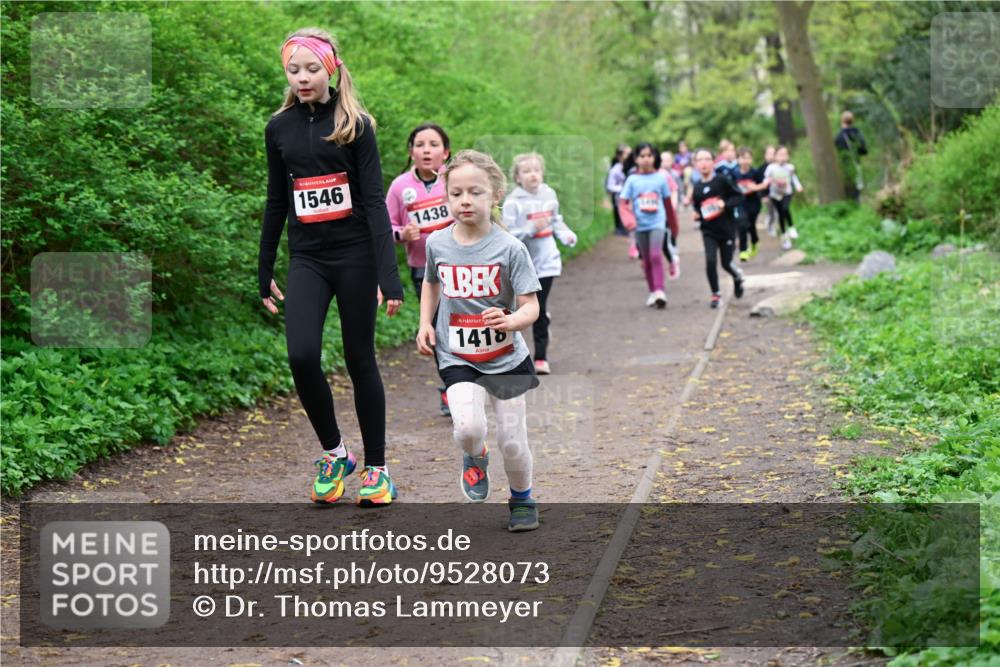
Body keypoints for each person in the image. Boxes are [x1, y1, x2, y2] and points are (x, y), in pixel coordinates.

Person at [258, 28, 403, 506]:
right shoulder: (279, 128)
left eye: (311, 69)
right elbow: (277, 201)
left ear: (331, 69)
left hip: (356, 255)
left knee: (360, 359)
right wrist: (264, 267)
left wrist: (389, 275)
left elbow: (375, 202)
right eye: (293, 70)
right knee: (301, 355)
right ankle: (335, 453)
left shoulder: (356, 124)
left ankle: (377, 469)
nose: (302, 78)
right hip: (308, 259)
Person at [417, 150, 542, 532]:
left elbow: (531, 307)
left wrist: (510, 321)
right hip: (458, 355)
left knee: (513, 441)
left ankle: (522, 499)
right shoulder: (438, 243)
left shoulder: (511, 248)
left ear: (496, 195)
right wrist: (425, 323)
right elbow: (431, 283)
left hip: (506, 358)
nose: (465, 201)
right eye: (456, 194)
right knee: (468, 429)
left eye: (475, 192)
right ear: (446, 197)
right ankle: (475, 455)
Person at [386, 122, 453, 416]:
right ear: (411, 151)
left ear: (445, 152)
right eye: (420, 145)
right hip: (423, 271)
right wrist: (402, 234)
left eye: (434, 145)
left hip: (461, 266)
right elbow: (385, 227)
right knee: (438, 328)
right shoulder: (400, 187)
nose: (426, 150)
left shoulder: (454, 179)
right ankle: (451, 387)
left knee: (463, 325)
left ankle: (469, 381)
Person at [503, 152, 577, 376]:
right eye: (526, 171)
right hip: (522, 265)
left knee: (539, 307)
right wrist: (530, 229)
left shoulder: (549, 194)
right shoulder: (513, 202)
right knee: (520, 309)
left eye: (536, 170)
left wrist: (566, 235)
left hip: (547, 261)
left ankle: (541, 357)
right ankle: (508, 355)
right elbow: (507, 236)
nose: (533, 174)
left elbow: (556, 221)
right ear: (517, 177)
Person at [618, 143, 672, 308]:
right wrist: (629, 221)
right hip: (639, 226)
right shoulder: (632, 180)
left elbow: (668, 204)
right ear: (636, 159)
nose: (646, 159)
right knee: (647, 260)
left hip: (658, 223)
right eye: (642, 156)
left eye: (649, 155)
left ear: (654, 157)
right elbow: (622, 203)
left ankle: (660, 291)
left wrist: (673, 226)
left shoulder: (661, 178)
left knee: (656, 255)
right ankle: (652, 292)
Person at [691, 148, 745, 309]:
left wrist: (725, 204)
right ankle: (716, 294)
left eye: (707, 159)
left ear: (713, 162)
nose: (703, 163)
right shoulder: (697, 187)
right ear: (695, 164)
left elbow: (739, 196)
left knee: (726, 263)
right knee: (710, 261)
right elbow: (698, 207)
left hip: (726, 229)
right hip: (708, 231)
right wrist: (697, 214)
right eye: (700, 160)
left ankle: (737, 276)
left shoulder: (722, 181)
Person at [763, 145, 804, 250]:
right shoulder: (771, 168)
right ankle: (784, 236)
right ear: (775, 156)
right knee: (780, 214)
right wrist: (765, 184)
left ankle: (791, 227)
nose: (783, 157)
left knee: (785, 209)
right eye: (780, 154)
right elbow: (766, 178)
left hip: (787, 193)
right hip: (774, 195)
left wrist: (798, 186)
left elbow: (794, 177)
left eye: (785, 154)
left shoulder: (790, 167)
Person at [733, 146, 767, 262]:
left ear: (751, 159)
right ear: (738, 159)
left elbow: (764, 185)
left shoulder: (755, 173)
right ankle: (743, 250)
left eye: (748, 158)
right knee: (742, 224)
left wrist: (755, 187)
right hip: (740, 203)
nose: (745, 161)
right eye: (743, 158)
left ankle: (754, 241)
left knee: (751, 225)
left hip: (754, 203)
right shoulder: (734, 174)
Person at [834, 110, 868, 202]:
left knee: (847, 188)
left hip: (844, 165)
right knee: (857, 188)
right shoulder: (857, 133)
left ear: (842, 121)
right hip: (856, 163)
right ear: (852, 121)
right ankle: (857, 204)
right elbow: (864, 150)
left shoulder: (839, 136)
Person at [605, 144, 631, 237]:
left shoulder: (629, 167)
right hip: (619, 195)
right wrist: (623, 188)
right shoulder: (616, 169)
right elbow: (610, 185)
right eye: (627, 153)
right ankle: (620, 229)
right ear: (620, 156)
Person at [759, 145, 778, 236]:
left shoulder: (779, 167)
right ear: (765, 155)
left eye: (773, 154)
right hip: (767, 195)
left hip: (778, 194)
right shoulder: (762, 169)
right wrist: (763, 196)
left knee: (777, 212)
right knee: (772, 212)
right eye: (769, 154)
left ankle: (771, 223)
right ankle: (770, 226)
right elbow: (759, 183)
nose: (771, 156)